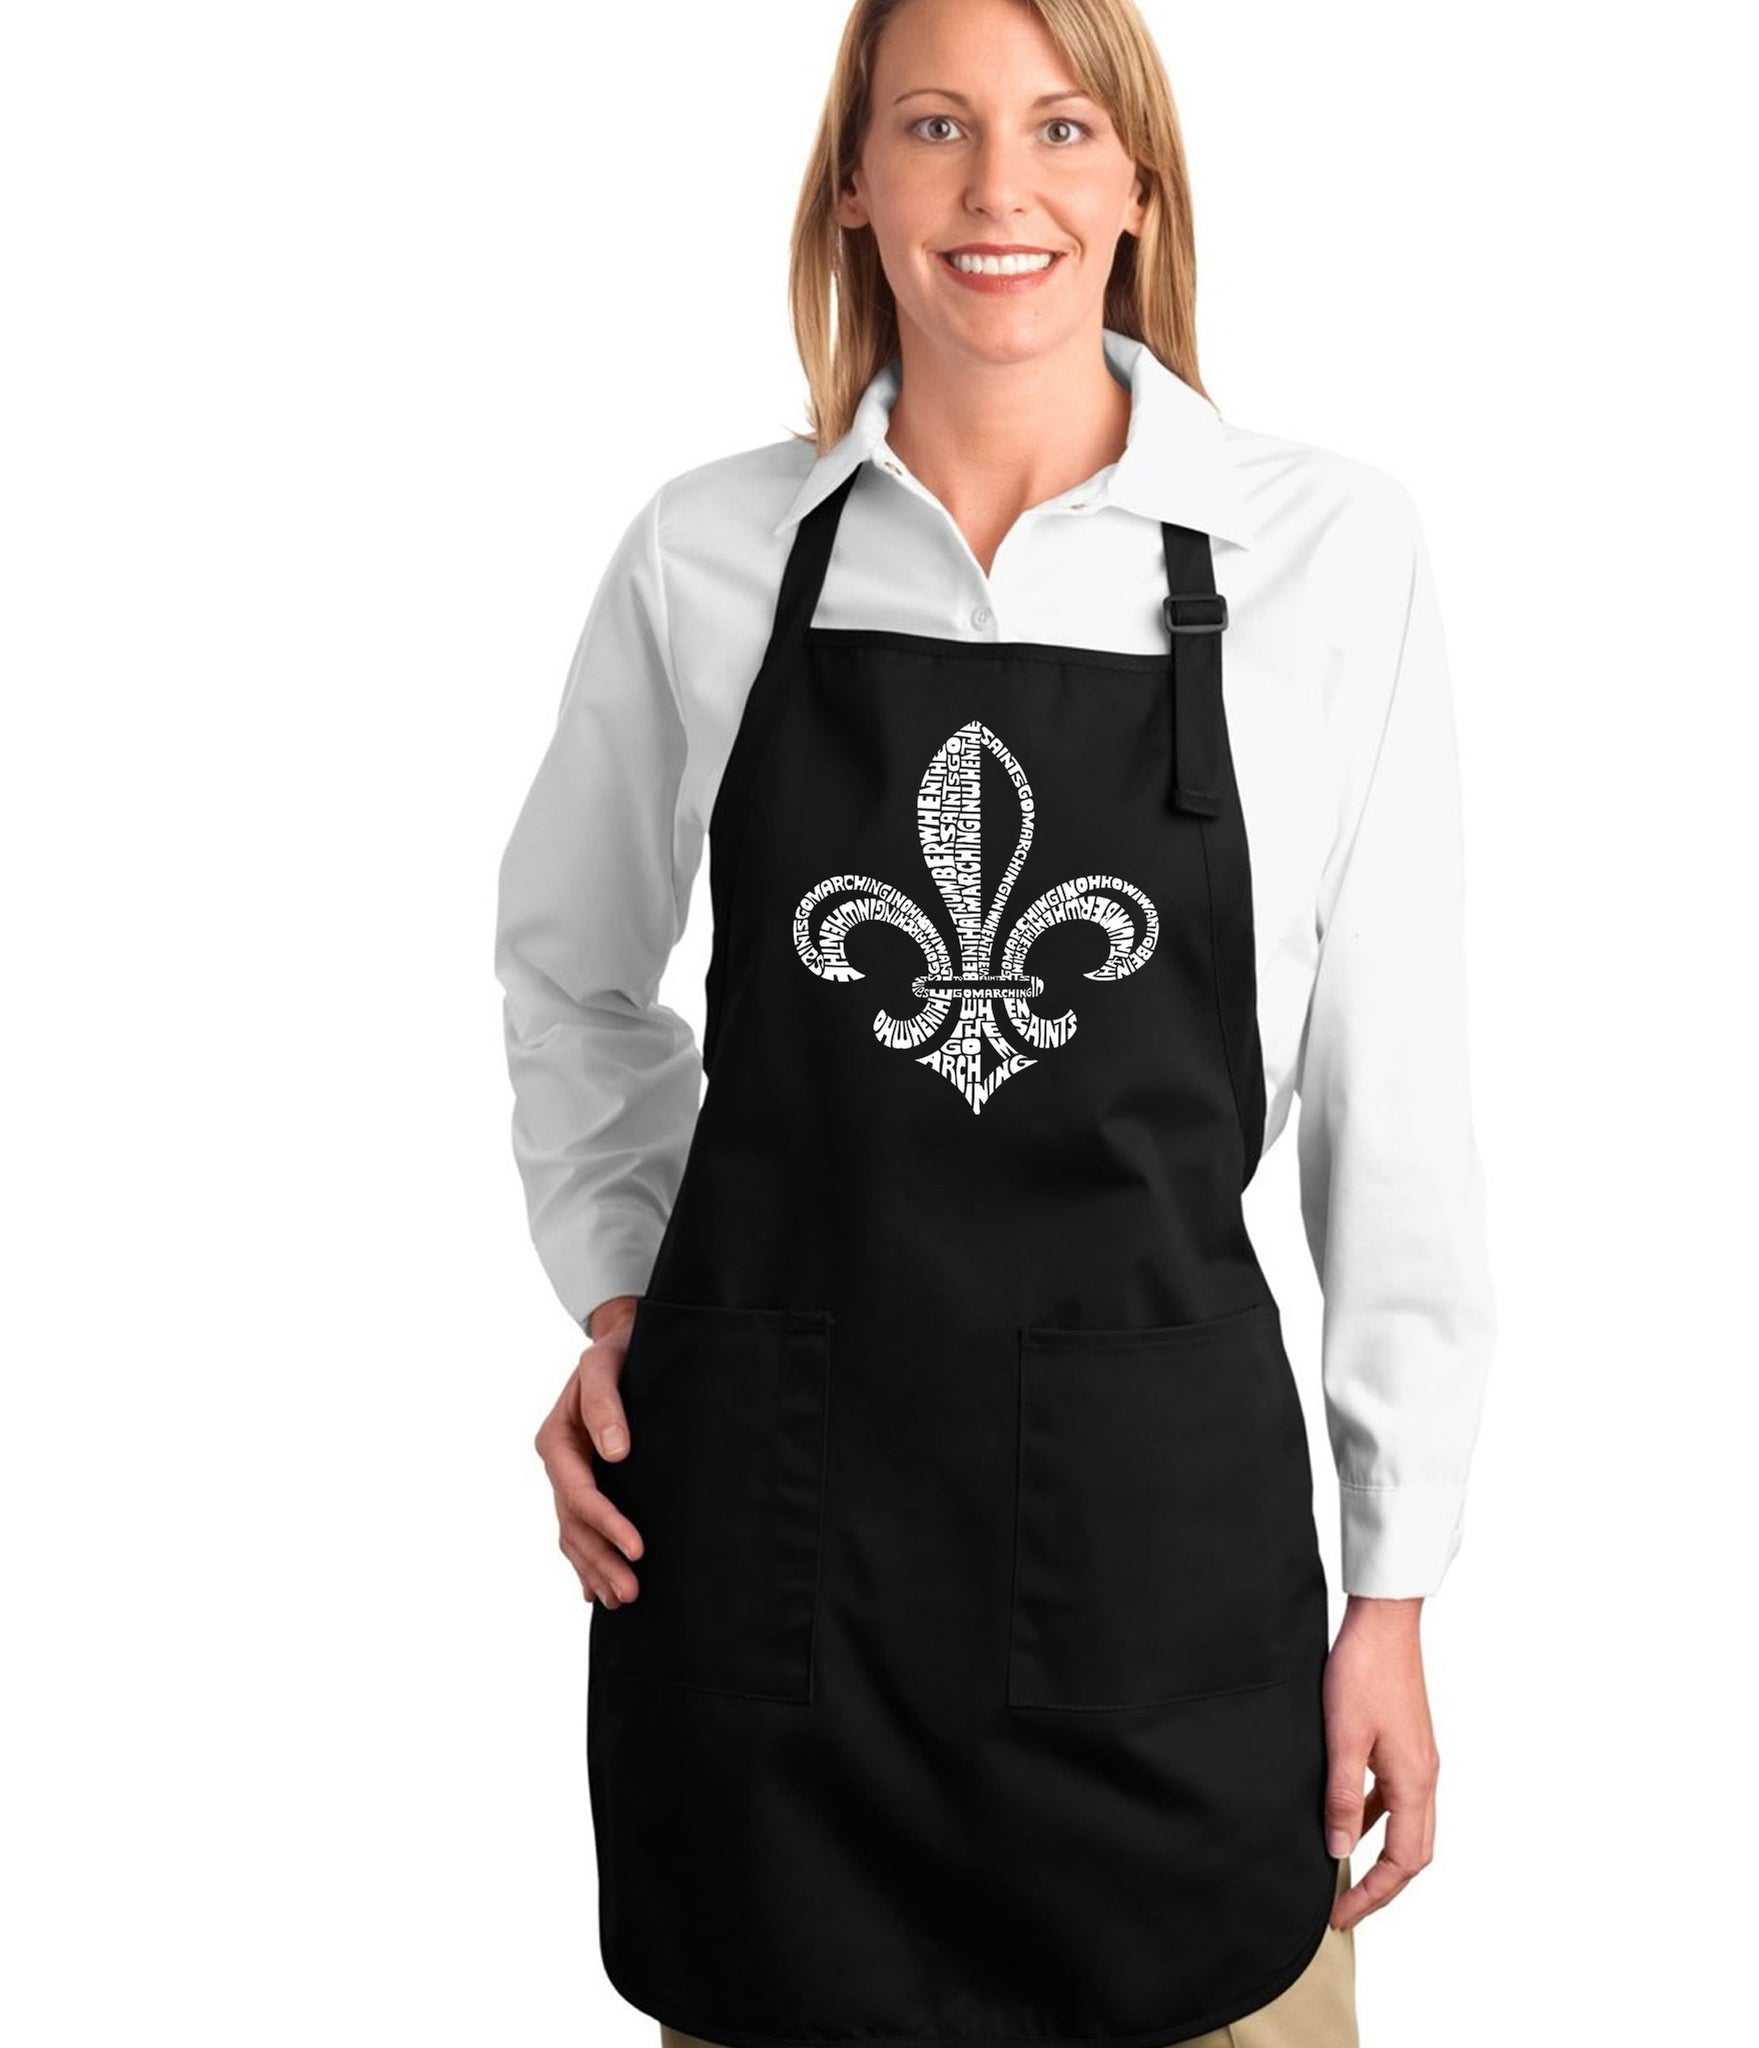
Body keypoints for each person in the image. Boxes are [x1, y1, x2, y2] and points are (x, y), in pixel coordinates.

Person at [493, 0, 1497, 2043]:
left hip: (1167, 1587)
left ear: (1137, 189)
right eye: (934, 126)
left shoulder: (1323, 553)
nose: (997, 188)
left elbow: (1391, 1103)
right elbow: (570, 970)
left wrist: (1396, 1584)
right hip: (775, 1593)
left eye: (1058, 127)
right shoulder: (710, 552)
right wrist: (627, 1295)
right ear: (854, 188)